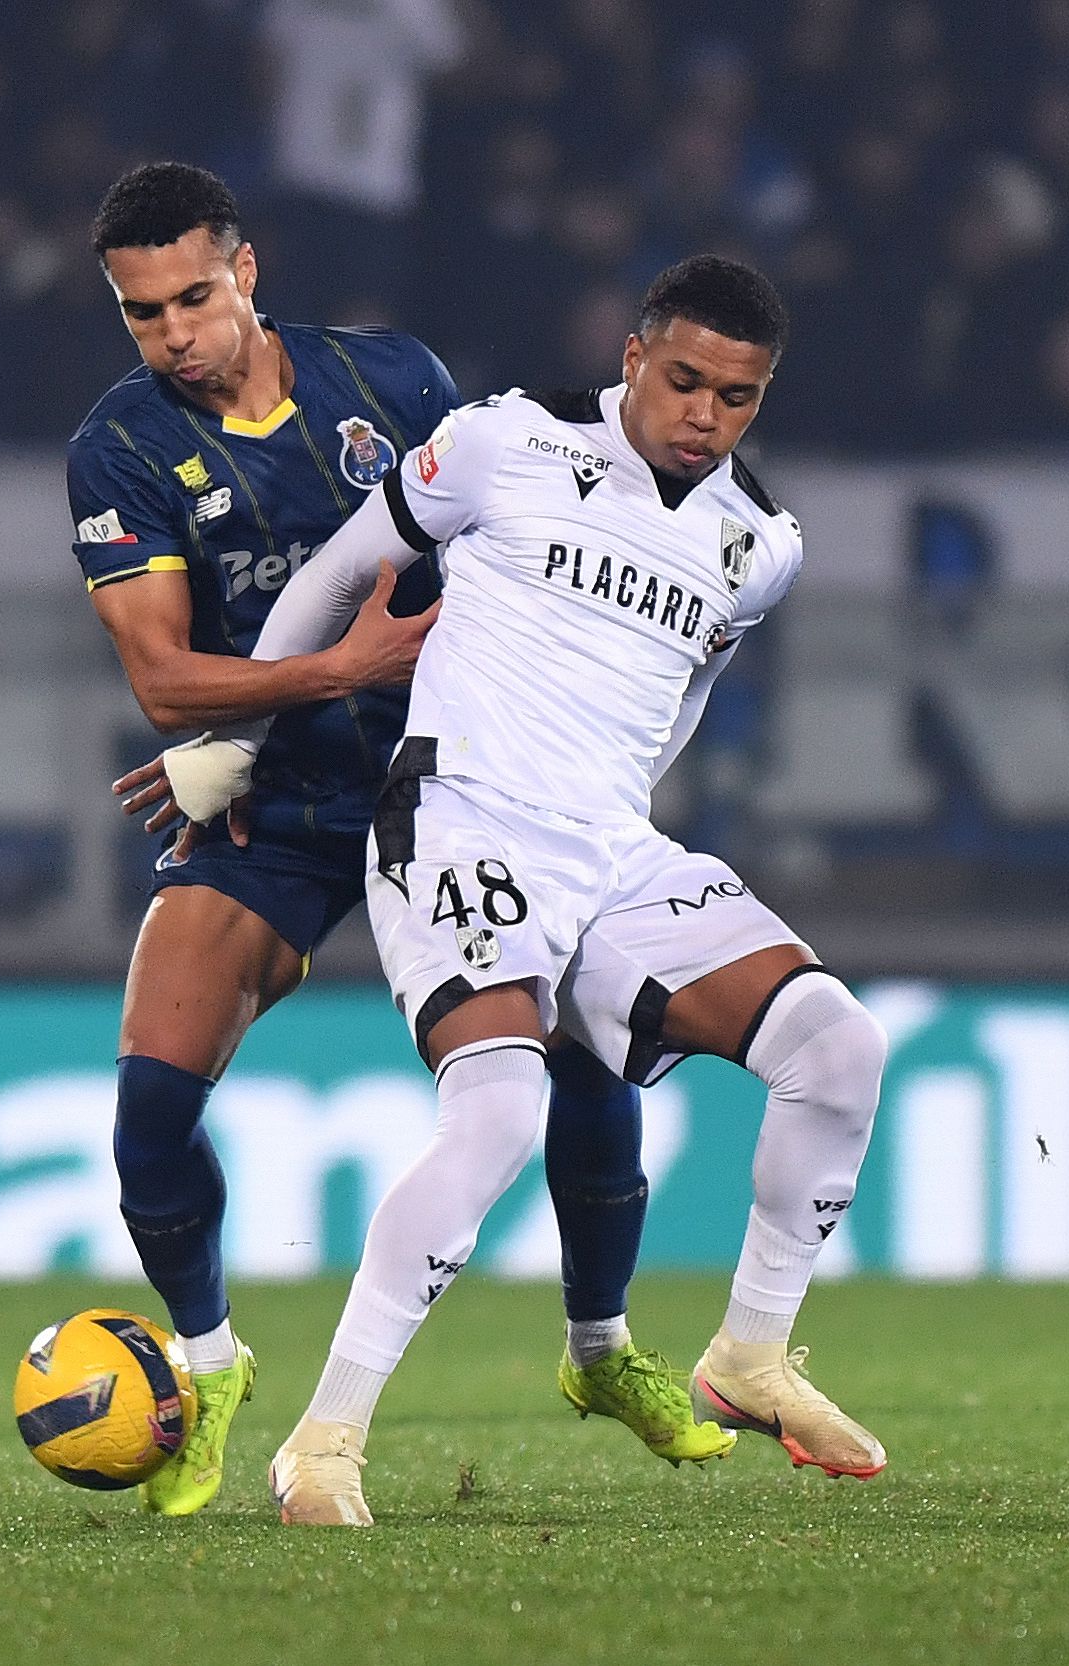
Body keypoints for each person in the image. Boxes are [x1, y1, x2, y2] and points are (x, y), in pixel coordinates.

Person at [158, 254, 889, 1526]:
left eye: (737, 395)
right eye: (683, 380)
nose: (705, 413)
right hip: (460, 823)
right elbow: (337, 571)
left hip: (608, 848)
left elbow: (692, 682)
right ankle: (321, 1444)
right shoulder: (504, 442)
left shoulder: (756, 545)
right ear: (631, 359)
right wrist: (238, 742)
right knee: (496, 1115)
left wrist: (626, 797)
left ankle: (750, 1354)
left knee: (838, 1049)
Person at [65, 163, 731, 1517]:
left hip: (461, 783)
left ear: (246, 273)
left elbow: (530, 525)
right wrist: (282, 707)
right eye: (142, 314)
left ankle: (599, 1349)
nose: (173, 333)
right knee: (149, 1102)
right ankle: (207, 1364)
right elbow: (163, 681)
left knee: (578, 1045)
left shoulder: (393, 380)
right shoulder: (118, 445)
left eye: (192, 296)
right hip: (279, 805)